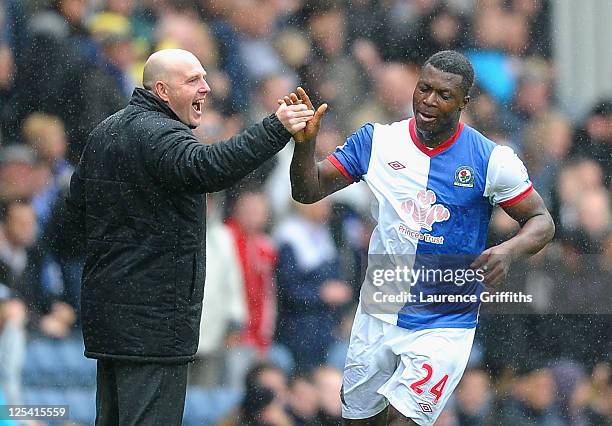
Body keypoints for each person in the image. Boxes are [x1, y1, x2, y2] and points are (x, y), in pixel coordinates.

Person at [287, 50, 555, 426]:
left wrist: (508, 252)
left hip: (444, 319)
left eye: (443, 95)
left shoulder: (491, 160)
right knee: (358, 422)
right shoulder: (377, 141)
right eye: (424, 88)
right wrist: (304, 145)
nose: (429, 100)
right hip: (380, 308)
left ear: (464, 102)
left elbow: (542, 221)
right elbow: (308, 191)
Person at [62, 48, 314, 425]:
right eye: (193, 80)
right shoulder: (159, 133)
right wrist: (275, 127)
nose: (206, 88)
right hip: (152, 325)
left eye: (205, 77)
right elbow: (209, 168)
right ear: (162, 91)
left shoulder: (106, 131)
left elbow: (72, 221)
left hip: (112, 322)